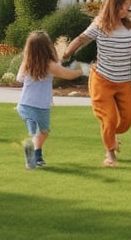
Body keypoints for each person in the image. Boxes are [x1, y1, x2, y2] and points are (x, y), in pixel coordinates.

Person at [61, 0, 131, 167]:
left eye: (129, 7)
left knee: (127, 120)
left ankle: (111, 135)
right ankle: (110, 154)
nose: (127, 11)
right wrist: (67, 52)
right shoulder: (100, 25)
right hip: (102, 79)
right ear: (115, 6)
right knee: (109, 118)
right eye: (125, 7)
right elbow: (81, 39)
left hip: (123, 81)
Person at [16, 30, 90, 169]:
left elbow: (19, 78)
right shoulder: (49, 65)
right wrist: (82, 71)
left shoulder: (28, 63)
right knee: (43, 132)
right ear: (47, 47)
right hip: (40, 106)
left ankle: (35, 157)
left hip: (25, 105)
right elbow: (66, 74)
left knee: (37, 133)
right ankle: (34, 155)